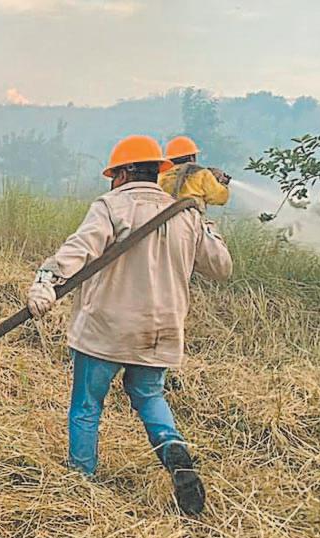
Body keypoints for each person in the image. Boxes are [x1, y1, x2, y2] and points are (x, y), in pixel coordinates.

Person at [26, 135, 233, 515]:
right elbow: (221, 267)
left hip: (106, 330)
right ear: (156, 172)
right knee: (149, 395)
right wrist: (205, 220)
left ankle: (81, 483)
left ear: (121, 174)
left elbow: (79, 248)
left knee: (87, 405)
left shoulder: (111, 206)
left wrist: (45, 281)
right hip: (160, 332)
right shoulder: (186, 214)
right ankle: (173, 450)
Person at [157, 136, 231, 212]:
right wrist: (222, 182)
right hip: (191, 217)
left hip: (166, 217)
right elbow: (220, 198)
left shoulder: (161, 175)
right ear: (192, 157)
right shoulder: (202, 174)